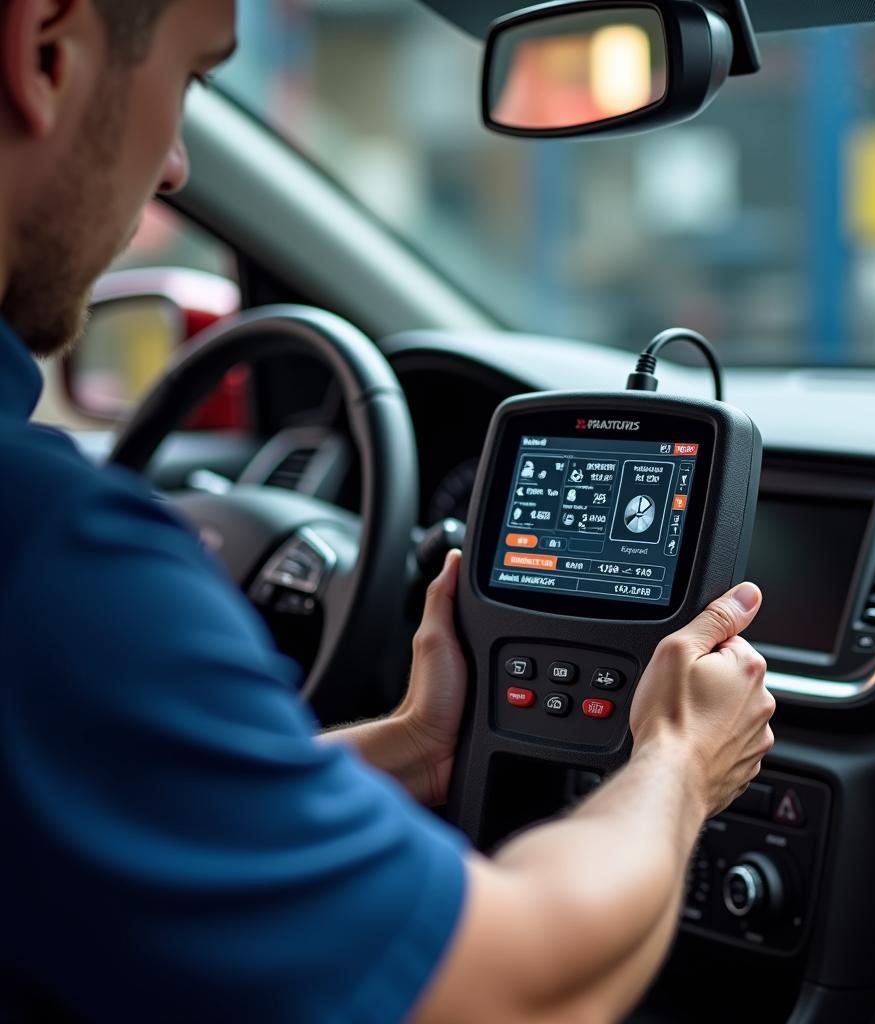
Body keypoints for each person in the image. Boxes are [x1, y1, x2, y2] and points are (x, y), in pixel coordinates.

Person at [0, 1, 775, 1020]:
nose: (178, 167)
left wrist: (417, 741)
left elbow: (135, 803)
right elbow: (511, 993)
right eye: (191, 82)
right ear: (47, 51)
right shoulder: (53, 566)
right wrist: (678, 761)